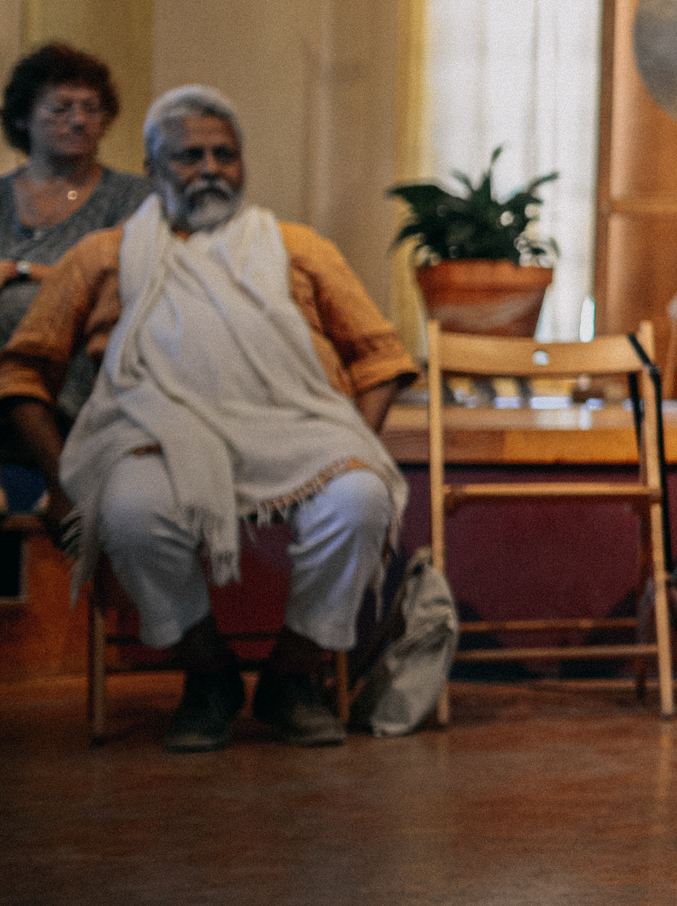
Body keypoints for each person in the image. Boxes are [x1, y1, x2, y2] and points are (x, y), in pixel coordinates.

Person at [0, 86, 414, 752]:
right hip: (154, 438)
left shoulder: (299, 248)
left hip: (297, 433)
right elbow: (22, 373)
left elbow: (380, 358)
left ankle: (291, 676)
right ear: (152, 167)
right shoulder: (105, 256)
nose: (211, 169)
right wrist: (60, 480)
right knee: (130, 511)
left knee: (362, 497)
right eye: (190, 156)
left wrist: (355, 443)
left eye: (225, 154)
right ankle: (208, 673)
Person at [0, 44, 153, 433]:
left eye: (92, 108)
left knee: (22, 303)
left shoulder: (133, 196)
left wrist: (19, 270)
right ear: (22, 118)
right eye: (61, 108)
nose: (79, 120)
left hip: (87, 361)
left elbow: (120, 274)